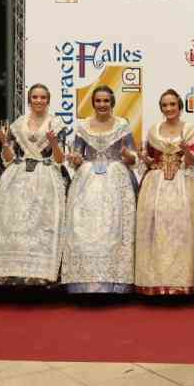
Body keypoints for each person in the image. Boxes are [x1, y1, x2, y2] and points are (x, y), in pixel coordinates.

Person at [0, 84, 67, 287]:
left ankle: (40, 274)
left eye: (42, 97)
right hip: (17, 177)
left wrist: (53, 143)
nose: (39, 100)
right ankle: (12, 273)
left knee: (41, 224)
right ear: (29, 100)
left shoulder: (57, 124)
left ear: (48, 100)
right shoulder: (18, 124)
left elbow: (60, 160)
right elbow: (9, 159)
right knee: (13, 222)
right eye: (35, 97)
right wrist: (4, 143)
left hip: (45, 177)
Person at [61, 85, 139, 294]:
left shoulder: (122, 125)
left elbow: (133, 158)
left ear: (112, 103)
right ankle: (84, 280)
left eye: (106, 101)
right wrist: (75, 158)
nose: (102, 104)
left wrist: (127, 155)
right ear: (93, 103)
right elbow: (77, 156)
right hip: (87, 180)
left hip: (116, 178)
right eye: (98, 101)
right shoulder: (83, 126)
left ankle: (115, 282)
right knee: (84, 225)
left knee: (115, 226)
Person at [134, 89, 194, 295]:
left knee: (182, 232)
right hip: (155, 186)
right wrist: (144, 158)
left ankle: (181, 282)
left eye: (172, 104)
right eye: (165, 105)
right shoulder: (153, 131)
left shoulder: (190, 131)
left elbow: (192, 164)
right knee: (155, 232)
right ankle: (155, 282)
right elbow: (150, 162)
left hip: (183, 185)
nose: (169, 108)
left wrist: (186, 150)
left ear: (180, 106)